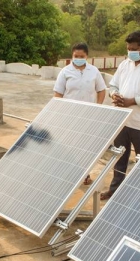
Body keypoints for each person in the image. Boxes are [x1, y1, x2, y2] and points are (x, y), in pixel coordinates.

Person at [100, 30, 140, 200]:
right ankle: (115, 190)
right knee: (119, 157)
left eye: (134, 49)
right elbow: (113, 85)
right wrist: (114, 95)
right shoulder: (125, 64)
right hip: (121, 120)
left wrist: (133, 101)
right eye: (128, 48)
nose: (130, 52)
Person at [53, 42, 106, 184]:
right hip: (69, 115)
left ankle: (85, 174)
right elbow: (58, 93)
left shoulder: (94, 71)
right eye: (76, 56)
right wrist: (60, 112)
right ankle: (70, 173)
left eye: (81, 56)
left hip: (89, 116)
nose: (78, 58)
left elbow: (101, 90)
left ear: (87, 56)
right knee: (69, 145)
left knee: (86, 146)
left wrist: (98, 106)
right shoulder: (65, 72)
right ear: (72, 55)